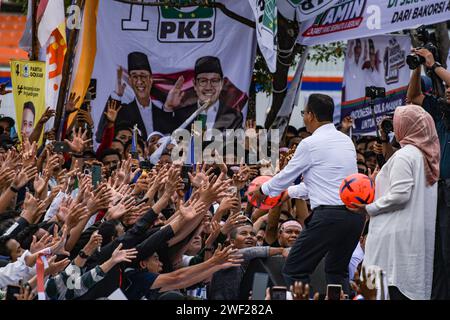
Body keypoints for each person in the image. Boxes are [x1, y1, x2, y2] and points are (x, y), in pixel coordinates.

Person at [249, 93, 365, 294]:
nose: (303, 118)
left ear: (310, 115)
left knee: (294, 268)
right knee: (336, 272)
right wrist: (290, 191)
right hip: (354, 218)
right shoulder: (346, 142)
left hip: (329, 217)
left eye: (304, 113)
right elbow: (325, 183)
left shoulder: (310, 143)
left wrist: (262, 190)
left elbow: (287, 175)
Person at [349, 105, 440, 300]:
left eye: (398, 122)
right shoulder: (426, 158)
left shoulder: (405, 155)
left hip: (391, 239)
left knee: (380, 290)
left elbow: (400, 194)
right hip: (408, 238)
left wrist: (368, 207)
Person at [407, 47, 450, 299]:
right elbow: (413, 96)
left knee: (447, 251)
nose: (447, 91)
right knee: (436, 251)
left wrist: (434, 67)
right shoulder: (440, 112)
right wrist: (416, 67)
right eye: (445, 89)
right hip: (437, 188)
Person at [96, 52, 173, 142]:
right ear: (130, 80)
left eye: (143, 76)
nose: (139, 81)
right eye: (135, 76)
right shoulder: (123, 112)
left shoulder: (161, 113)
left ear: (151, 79)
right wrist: (116, 95)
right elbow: (100, 137)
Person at [163, 56, 243, 134]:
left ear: (221, 84)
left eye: (214, 81)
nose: (208, 87)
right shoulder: (182, 115)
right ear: (195, 84)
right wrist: (168, 106)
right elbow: (166, 138)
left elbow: (235, 146)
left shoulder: (233, 116)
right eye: (203, 81)